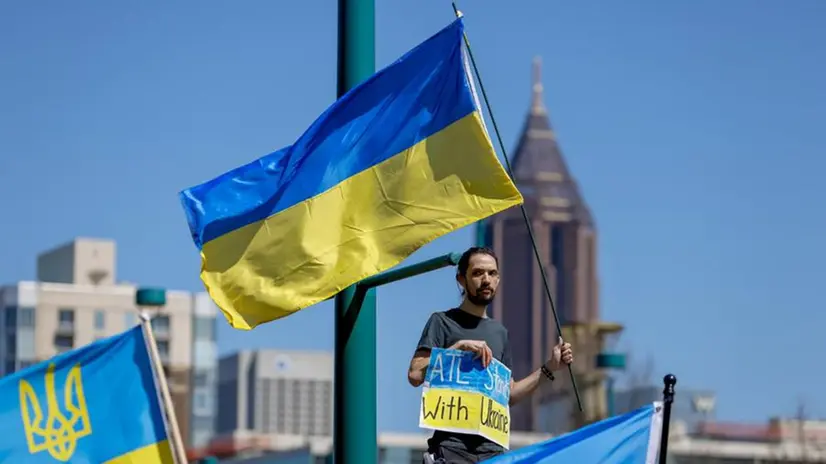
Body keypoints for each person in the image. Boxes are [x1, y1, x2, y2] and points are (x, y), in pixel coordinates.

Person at [407, 246, 574, 464]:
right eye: (477, 273)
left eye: (492, 273)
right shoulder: (441, 322)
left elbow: (509, 394)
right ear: (461, 280)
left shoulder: (500, 333)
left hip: (493, 452)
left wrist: (549, 367)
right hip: (451, 451)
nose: (486, 279)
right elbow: (415, 374)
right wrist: (457, 348)